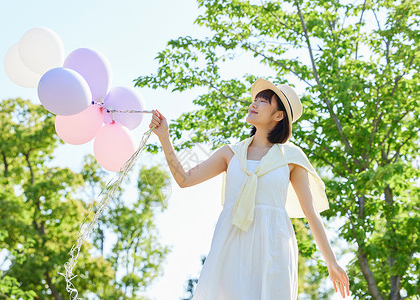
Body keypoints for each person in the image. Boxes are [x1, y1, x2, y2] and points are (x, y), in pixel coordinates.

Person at [149, 78, 350, 299]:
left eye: (263, 101)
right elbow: (184, 179)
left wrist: (332, 262)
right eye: (255, 99)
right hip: (231, 246)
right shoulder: (230, 153)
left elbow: (311, 214)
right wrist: (164, 137)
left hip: (273, 249)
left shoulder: (291, 158)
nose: (253, 104)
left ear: (279, 115)